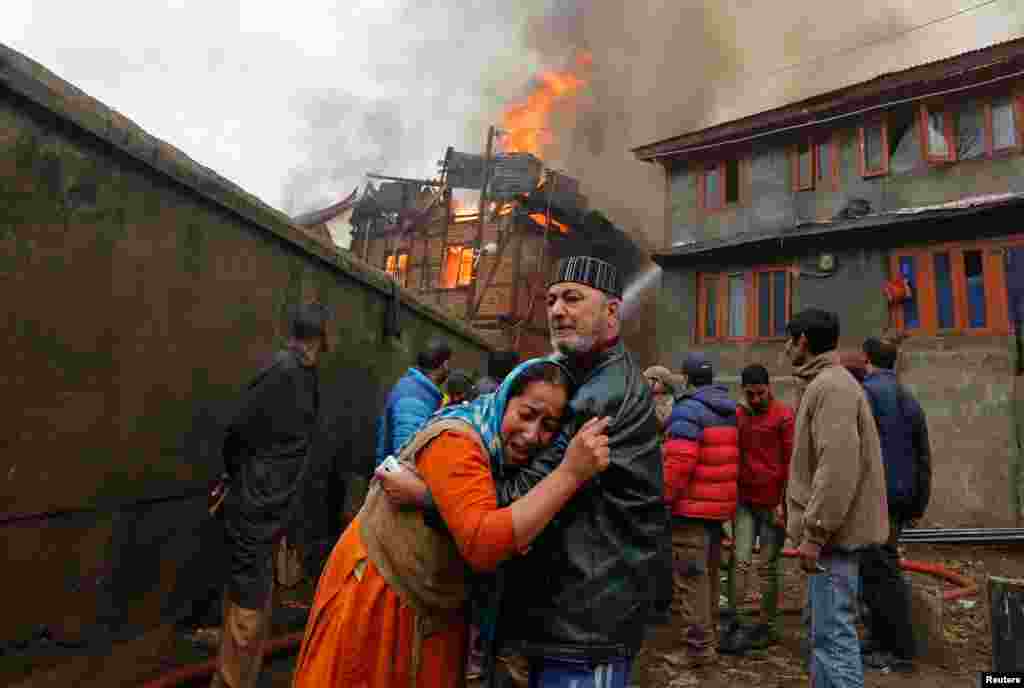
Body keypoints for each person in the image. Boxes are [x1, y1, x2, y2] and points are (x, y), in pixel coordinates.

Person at [381, 256, 673, 688]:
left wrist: (428, 494)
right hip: (574, 618)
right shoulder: (588, 377)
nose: (557, 310)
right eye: (552, 299)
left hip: (583, 628)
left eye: (573, 298)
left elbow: (513, 498)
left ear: (612, 311)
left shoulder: (599, 396)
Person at [290, 359, 613, 688]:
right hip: (379, 595)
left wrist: (429, 498)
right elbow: (483, 543)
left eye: (548, 425)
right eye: (527, 414)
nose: (533, 435)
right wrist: (570, 474)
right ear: (504, 400)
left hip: (429, 605)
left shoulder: (502, 455)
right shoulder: (459, 441)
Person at [210, 303, 330, 688]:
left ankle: (239, 676)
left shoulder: (303, 374)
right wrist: (238, 476)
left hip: (272, 502)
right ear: (320, 339)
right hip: (257, 501)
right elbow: (237, 431)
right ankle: (231, 682)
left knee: (255, 590)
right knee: (248, 594)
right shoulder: (283, 372)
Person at [783, 309, 889, 688]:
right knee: (823, 635)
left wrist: (815, 532)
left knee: (834, 639)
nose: (785, 348)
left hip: (833, 540)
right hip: (832, 537)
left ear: (803, 342)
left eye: (789, 339)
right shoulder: (828, 384)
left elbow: (837, 467)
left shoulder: (831, 386)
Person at [858, 337, 932, 674]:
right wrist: (918, 503)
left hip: (877, 497)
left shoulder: (866, 393)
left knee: (882, 572)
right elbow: (923, 456)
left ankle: (900, 651)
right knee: (879, 569)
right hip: (903, 498)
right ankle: (879, 640)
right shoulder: (909, 398)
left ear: (867, 359)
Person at [662, 352, 739, 669]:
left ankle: (697, 650)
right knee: (707, 576)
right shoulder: (728, 410)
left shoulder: (687, 411)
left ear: (686, 378)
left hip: (691, 510)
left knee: (691, 579)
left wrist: (663, 498)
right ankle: (709, 639)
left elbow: (679, 463)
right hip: (718, 509)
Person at [720, 364, 794, 655]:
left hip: (773, 503)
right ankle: (734, 621)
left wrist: (784, 503)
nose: (755, 399)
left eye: (760, 393)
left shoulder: (783, 416)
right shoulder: (738, 417)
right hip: (745, 502)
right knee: (738, 562)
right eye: (749, 394)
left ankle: (767, 625)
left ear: (769, 388)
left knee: (767, 567)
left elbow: (791, 463)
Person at [375, 337, 451, 468]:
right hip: (399, 483)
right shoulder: (414, 399)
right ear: (444, 365)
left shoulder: (418, 390)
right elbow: (408, 457)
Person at [644, 365, 684, 433]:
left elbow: (662, 422)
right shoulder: (645, 396)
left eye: (649, 379)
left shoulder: (670, 401)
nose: (645, 382)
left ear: (660, 382)